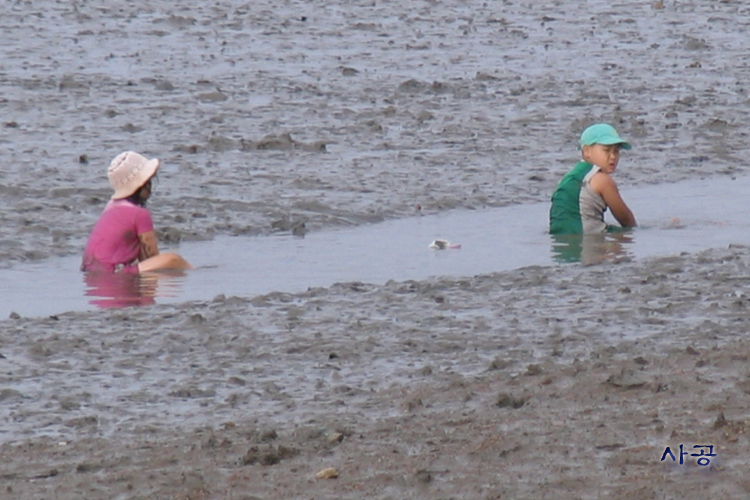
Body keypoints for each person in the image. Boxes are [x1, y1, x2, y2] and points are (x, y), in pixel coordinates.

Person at [81, 151, 192, 274]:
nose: (150, 187)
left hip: (91, 271)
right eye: (148, 182)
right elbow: (152, 257)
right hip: (114, 271)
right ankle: (195, 273)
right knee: (173, 259)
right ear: (141, 185)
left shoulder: (110, 207)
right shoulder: (140, 214)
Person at [549, 123, 637, 235]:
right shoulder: (603, 180)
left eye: (616, 151)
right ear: (587, 151)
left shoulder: (568, 178)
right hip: (589, 237)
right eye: (606, 150)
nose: (613, 156)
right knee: (623, 238)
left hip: (559, 237)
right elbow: (624, 217)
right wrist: (635, 232)